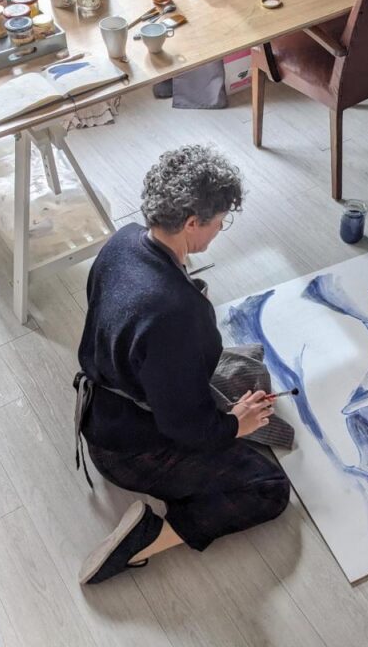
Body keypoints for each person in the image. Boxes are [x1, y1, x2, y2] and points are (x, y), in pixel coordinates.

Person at [75, 145, 290, 585]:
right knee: (269, 487)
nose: (219, 229)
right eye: (218, 221)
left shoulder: (124, 241)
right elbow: (187, 428)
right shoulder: (176, 314)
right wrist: (234, 425)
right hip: (130, 451)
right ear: (192, 223)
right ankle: (146, 538)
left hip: (104, 408)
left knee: (237, 371)